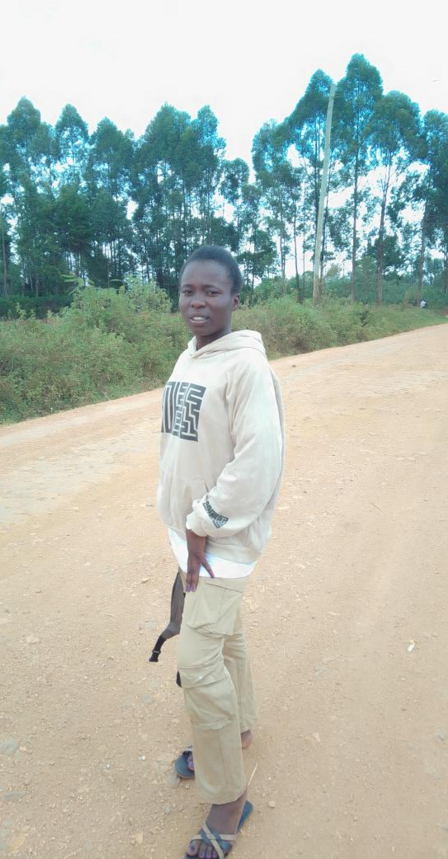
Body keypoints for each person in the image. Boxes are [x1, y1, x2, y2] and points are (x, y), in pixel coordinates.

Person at [156, 245, 284, 858]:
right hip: (193, 535)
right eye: (189, 291)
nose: (198, 302)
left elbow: (258, 464)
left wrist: (204, 521)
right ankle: (241, 728)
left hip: (221, 543)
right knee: (227, 637)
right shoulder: (192, 355)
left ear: (236, 297)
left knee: (199, 661)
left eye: (212, 291)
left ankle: (229, 798)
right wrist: (184, 522)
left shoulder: (247, 367)